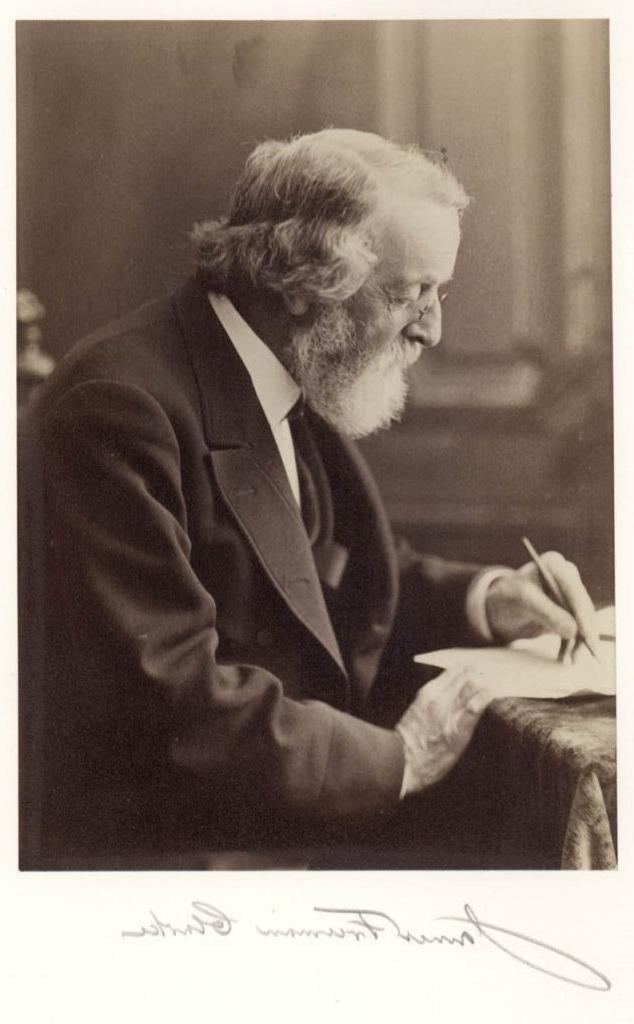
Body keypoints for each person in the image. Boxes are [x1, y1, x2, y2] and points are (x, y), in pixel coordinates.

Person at [18, 129, 598, 869]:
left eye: (438, 291)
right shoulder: (120, 410)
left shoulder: (278, 363)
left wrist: (490, 597)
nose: (432, 328)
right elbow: (173, 707)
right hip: (173, 859)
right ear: (302, 282)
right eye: (408, 293)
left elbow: (319, 580)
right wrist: (400, 760)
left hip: (269, 819)